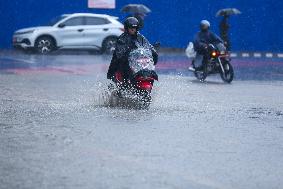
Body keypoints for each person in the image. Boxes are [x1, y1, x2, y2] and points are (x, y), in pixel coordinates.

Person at [107, 17, 158, 82]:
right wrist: (126, 51)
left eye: (134, 28)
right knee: (126, 73)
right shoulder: (122, 38)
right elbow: (119, 53)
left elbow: (147, 45)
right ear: (126, 28)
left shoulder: (140, 37)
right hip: (125, 63)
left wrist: (152, 50)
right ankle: (126, 85)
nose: (133, 30)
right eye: (131, 28)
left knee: (149, 71)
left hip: (137, 62)